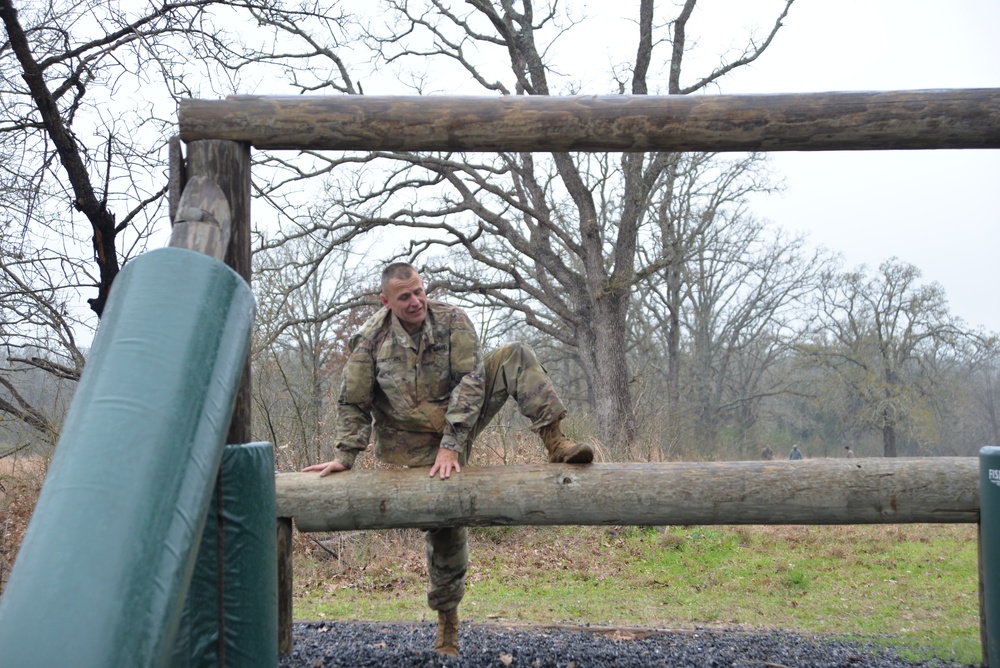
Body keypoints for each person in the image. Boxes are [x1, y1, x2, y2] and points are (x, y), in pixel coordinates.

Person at [302, 262, 593, 657]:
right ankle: (447, 621)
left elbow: (471, 381)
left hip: (457, 425)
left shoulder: (453, 320)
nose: (416, 301)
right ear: (385, 301)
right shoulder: (369, 340)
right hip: (410, 447)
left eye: (419, 291)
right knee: (447, 528)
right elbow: (353, 402)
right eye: (404, 296)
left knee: (515, 355)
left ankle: (556, 442)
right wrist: (344, 456)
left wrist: (453, 441)